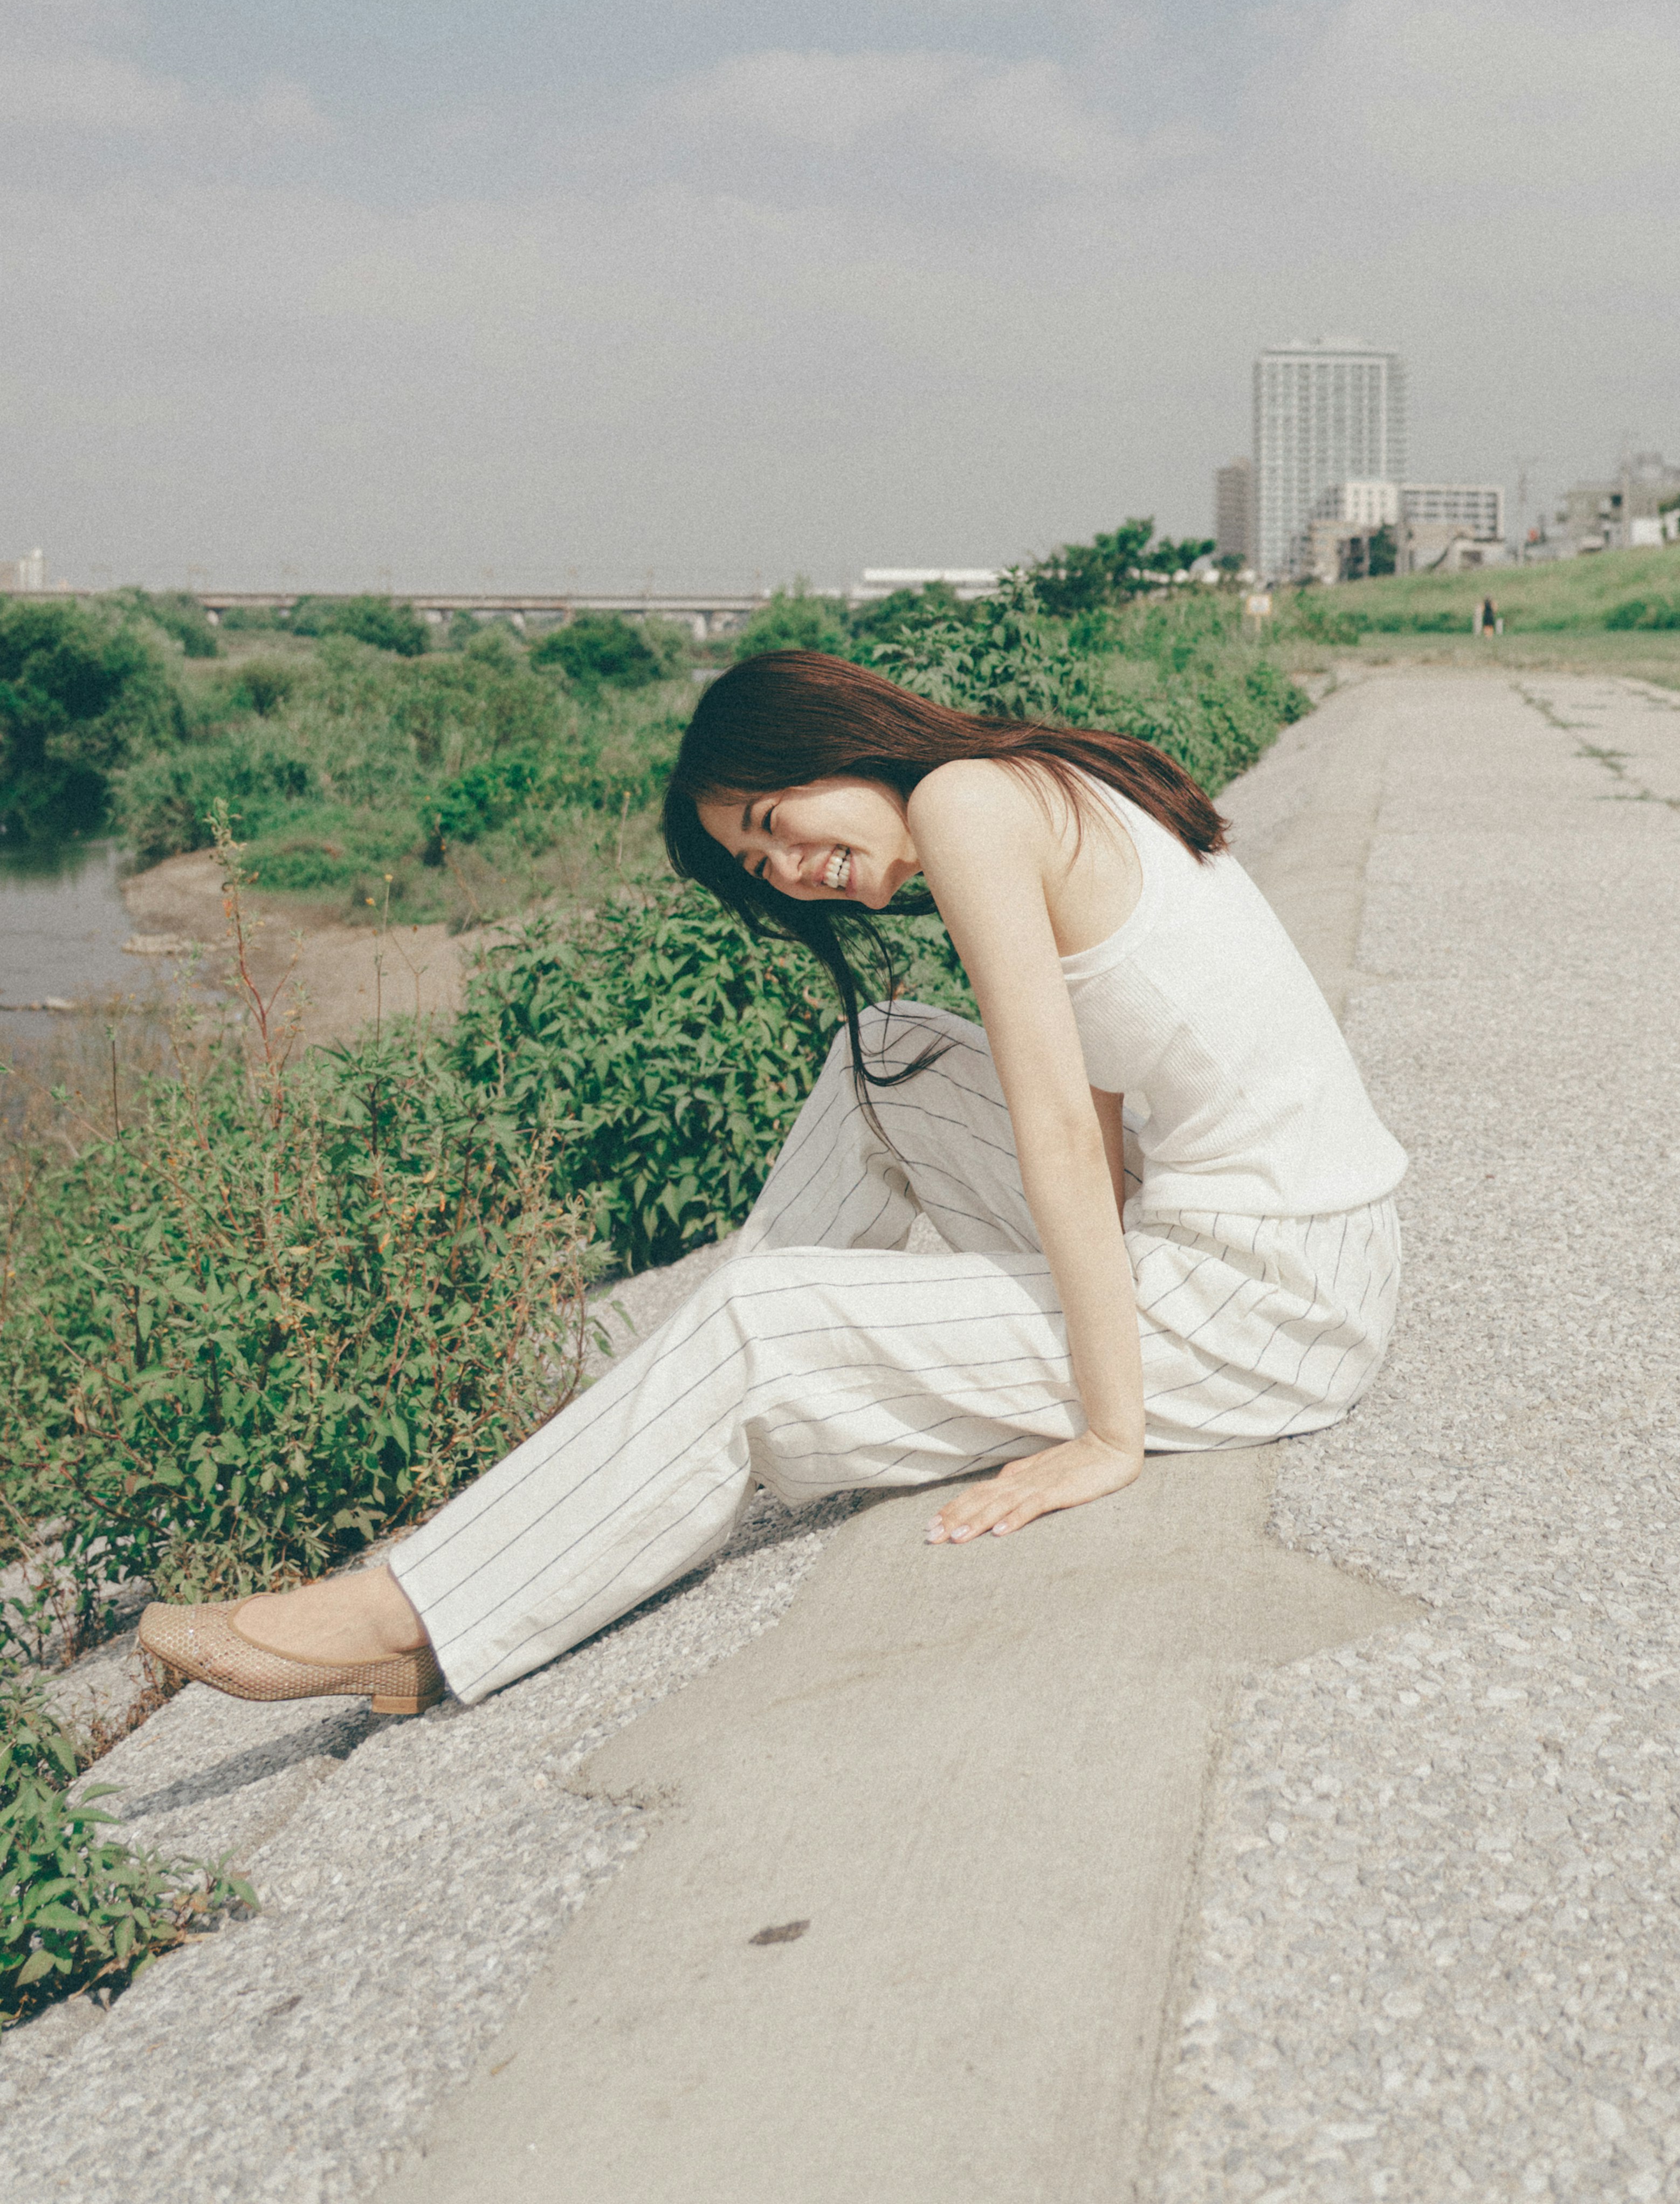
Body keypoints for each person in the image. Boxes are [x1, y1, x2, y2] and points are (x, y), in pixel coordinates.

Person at [140, 651, 1406, 1716]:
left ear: (836, 744)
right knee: (889, 1058)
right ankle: (651, 1432)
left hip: (1264, 1301)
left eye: (771, 826)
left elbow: (1063, 1144)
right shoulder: (1028, 778)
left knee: (771, 1324)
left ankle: (402, 1612)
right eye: (759, 868)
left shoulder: (969, 805)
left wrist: (1109, 1436)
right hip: (1274, 1245)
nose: (790, 871)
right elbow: (1099, 1092)